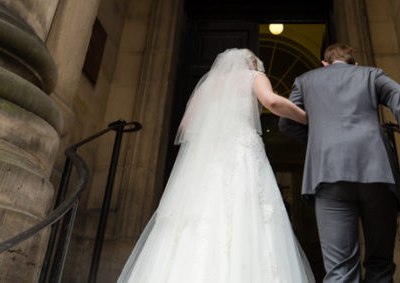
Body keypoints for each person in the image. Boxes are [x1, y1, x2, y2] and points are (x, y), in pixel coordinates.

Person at [118, 48, 316, 282]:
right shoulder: (254, 77)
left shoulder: (208, 85)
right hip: (241, 153)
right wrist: (307, 116)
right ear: (253, 65)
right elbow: (271, 101)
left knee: (201, 215)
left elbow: (186, 126)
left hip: (209, 159)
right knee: (246, 212)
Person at [279, 43, 400, 283]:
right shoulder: (370, 74)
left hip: (327, 174)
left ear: (324, 64)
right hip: (376, 172)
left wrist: (320, 140)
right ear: (355, 64)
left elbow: (285, 122)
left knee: (340, 270)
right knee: (380, 263)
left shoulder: (305, 80)